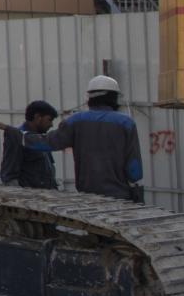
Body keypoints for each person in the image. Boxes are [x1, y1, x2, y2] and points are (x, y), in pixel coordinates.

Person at [15, 74, 146, 201]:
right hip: (119, 197)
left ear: (89, 98)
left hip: (87, 197)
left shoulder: (75, 121)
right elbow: (134, 170)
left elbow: (48, 143)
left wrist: (19, 136)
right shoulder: (126, 123)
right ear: (114, 97)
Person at [0, 100, 59, 189]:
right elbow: (9, 178)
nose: (51, 125)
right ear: (37, 117)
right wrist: (22, 196)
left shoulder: (39, 138)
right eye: (49, 120)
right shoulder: (17, 139)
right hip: (30, 196)